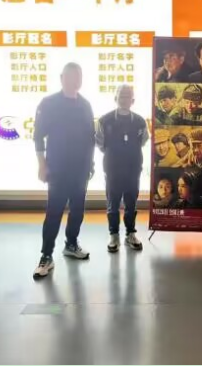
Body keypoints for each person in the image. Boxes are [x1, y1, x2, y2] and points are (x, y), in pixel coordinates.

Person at [32, 63, 95, 279]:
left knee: (77, 210)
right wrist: (42, 164)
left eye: (78, 76)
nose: (74, 80)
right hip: (57, 168)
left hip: (80, 169)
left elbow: (90, 138)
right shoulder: (49, 103)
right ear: (62, 78)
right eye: (70, 76)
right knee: (54, 211)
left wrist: (90, 164)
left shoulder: (85, 105)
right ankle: (46, 255)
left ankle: (71, 244)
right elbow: (38, 136)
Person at [96, 84, 149, 253]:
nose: (124, 99)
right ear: (115, 98)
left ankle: (130, 234)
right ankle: (114, 235)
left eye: (128, 96)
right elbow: (100, 143)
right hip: (112, 167)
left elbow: (143, 141)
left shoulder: (140, 121)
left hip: (133, 167)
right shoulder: (104, 120)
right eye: (121, 96)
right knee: (113, 203)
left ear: (133, 100)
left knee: (131, 202)